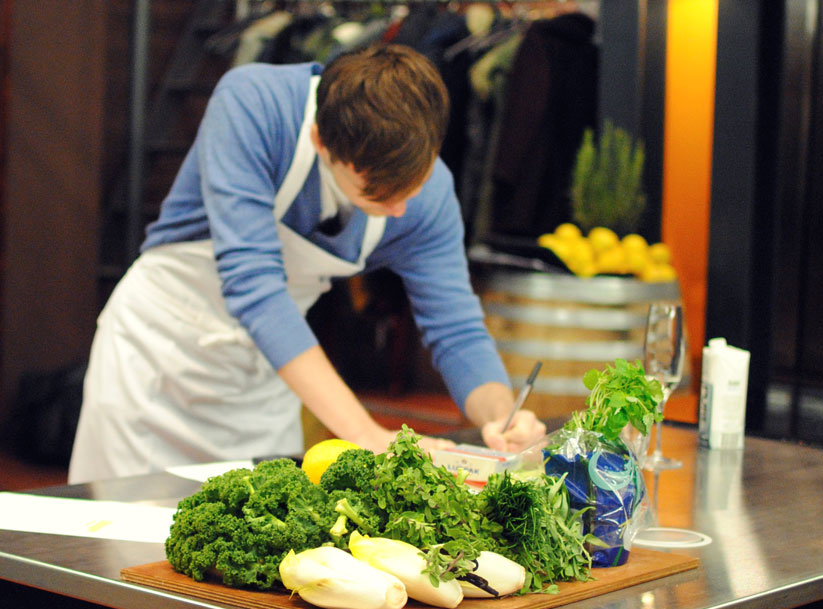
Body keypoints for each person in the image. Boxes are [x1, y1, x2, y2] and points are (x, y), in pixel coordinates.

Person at [68, 44, 544, 483]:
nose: (402, 210)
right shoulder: (254, 105)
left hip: (265, 381)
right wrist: (363, 433)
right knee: (115, 542)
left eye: (413, 187)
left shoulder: (430, 194)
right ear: (321, 140)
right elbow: (255, 286)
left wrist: (500, 415)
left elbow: (455, 327)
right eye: (377, 195)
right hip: (157, 359)